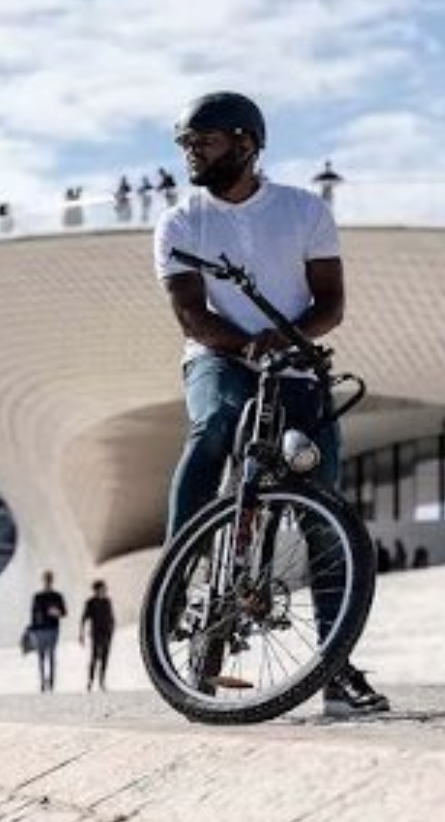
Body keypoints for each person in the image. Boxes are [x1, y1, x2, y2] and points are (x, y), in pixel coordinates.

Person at [152, 90, 389, 717]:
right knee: (215, 423)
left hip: (294, 361)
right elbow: (191, 315)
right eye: (185, 144)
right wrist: (246, 347)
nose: (191, 154)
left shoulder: (304, 210)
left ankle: (336, 669)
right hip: (219, 357)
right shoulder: (180, 221)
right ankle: (175, 580)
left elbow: (330, 304)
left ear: (246, 144)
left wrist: (284, 344)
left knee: (323, 502)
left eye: (203, 142)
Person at [29, 570, 67, 692]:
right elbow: (33, 614)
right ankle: (42, 681)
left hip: (52, 628)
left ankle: (51, 682)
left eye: (49, 580)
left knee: (51, 655)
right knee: (41, 657)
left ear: (52, 581)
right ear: (43, 581)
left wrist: (57, 613)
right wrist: (32, 630)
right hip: (40, 629)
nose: (48, 582)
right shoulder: (37, 596)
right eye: (46, 579)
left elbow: (64, 612)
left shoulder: (57, 596)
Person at [80, 579, 116, 691]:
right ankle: (90, 680)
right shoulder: (90, 602)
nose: (103, 591)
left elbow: (111, 616)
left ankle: (102, 681)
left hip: (107, 633)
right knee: (94, 657)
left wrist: (112, 628)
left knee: (105, 657)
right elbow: (84, 618)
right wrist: (81, 633)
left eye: (104, 589)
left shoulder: (107, 601)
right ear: (96, 590)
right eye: (101, 588)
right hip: (96, 633)